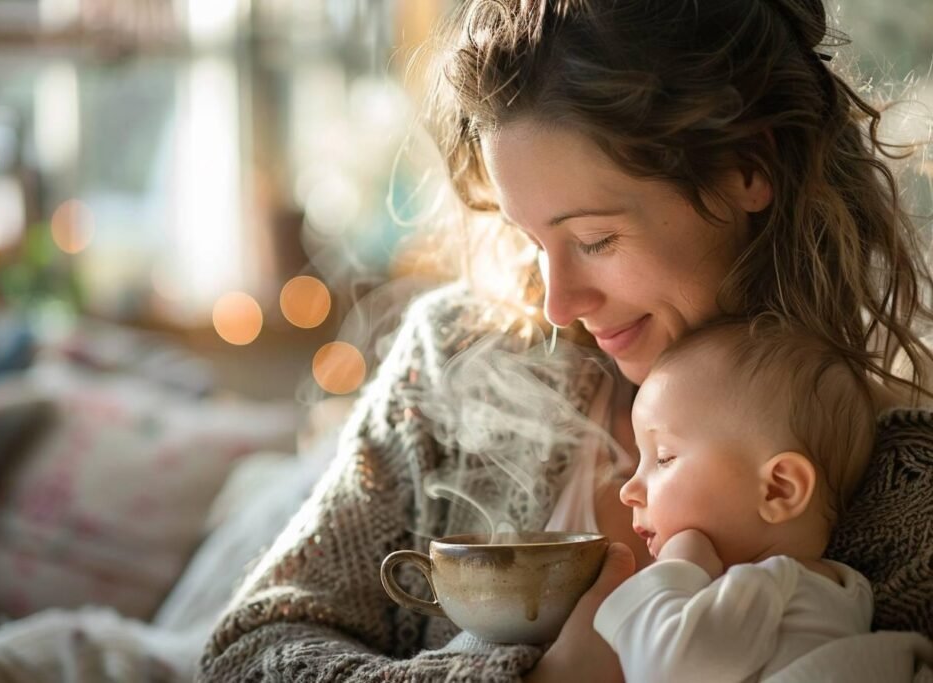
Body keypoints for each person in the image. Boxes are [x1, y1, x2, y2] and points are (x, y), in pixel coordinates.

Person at [198, 0, 933, 681]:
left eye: (595, 237)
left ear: (749, 166)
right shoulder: (456, 361)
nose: (558, 304)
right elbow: (246, 652)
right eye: (529, 238)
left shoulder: (902, 488)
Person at [593, 317, 877, 682]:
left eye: (663, 458)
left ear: (778, 490)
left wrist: (679, 566)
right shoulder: (844, 591)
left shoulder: (768, 587)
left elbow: (658, 670)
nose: (628, 490)